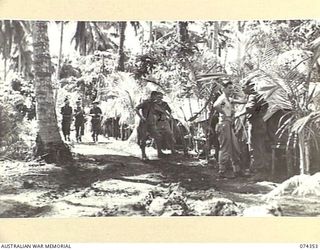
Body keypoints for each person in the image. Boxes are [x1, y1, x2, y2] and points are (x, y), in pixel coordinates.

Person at [234, 80, 269, 180]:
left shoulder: (253, 96)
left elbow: (249, 108)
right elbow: (265, 105)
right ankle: (261, 171)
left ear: (249, 87)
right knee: (260, 147)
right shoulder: (258, 96)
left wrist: (238, 115)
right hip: (260, 123)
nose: (242, 89)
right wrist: (259, 114)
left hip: (255, 124)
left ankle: (258, 173)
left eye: (243, 87)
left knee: (254, 147)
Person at [213, 81, 244, 179]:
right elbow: (216, 105)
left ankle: (237, 170)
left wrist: (243, 96)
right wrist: (226, 114)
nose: (231, 90)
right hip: (224, 124)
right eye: (229, 88)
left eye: (232, 88)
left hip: (229, 124)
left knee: (234, 146)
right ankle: (222, 170)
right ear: (224, 89)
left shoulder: (228, 99)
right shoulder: (222, 99)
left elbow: (242, 101)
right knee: (225, 147)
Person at [135, 91, 164, 159]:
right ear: (153, 96)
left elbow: (158, 112)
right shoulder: (146, 102)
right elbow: (136, 108)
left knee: (158, 136)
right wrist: (141, 117)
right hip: (144, 123)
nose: (157, 98)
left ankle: (159, 153)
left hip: (151, 123)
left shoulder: (154, 104)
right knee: (143, 138)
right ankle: (143, 154)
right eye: (156, 97)